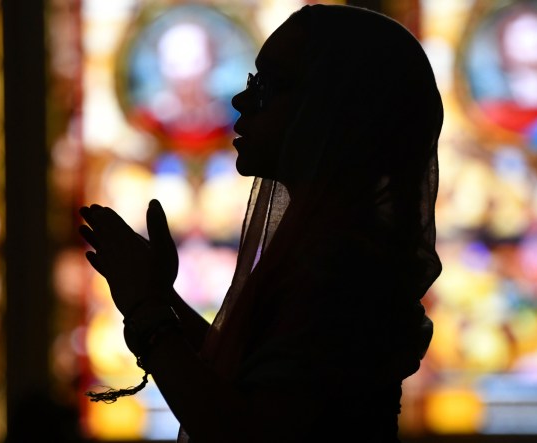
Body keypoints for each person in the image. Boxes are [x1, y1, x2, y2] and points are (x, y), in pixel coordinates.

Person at [79, 4, 442, 442]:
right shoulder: (326, 240)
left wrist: (146, 309)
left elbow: (244, 431)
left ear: (332, 111)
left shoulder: (343, 266)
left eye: (269, 85)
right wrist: (161, 297)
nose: (241, 101)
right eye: (253, 81)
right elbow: (247, 376)